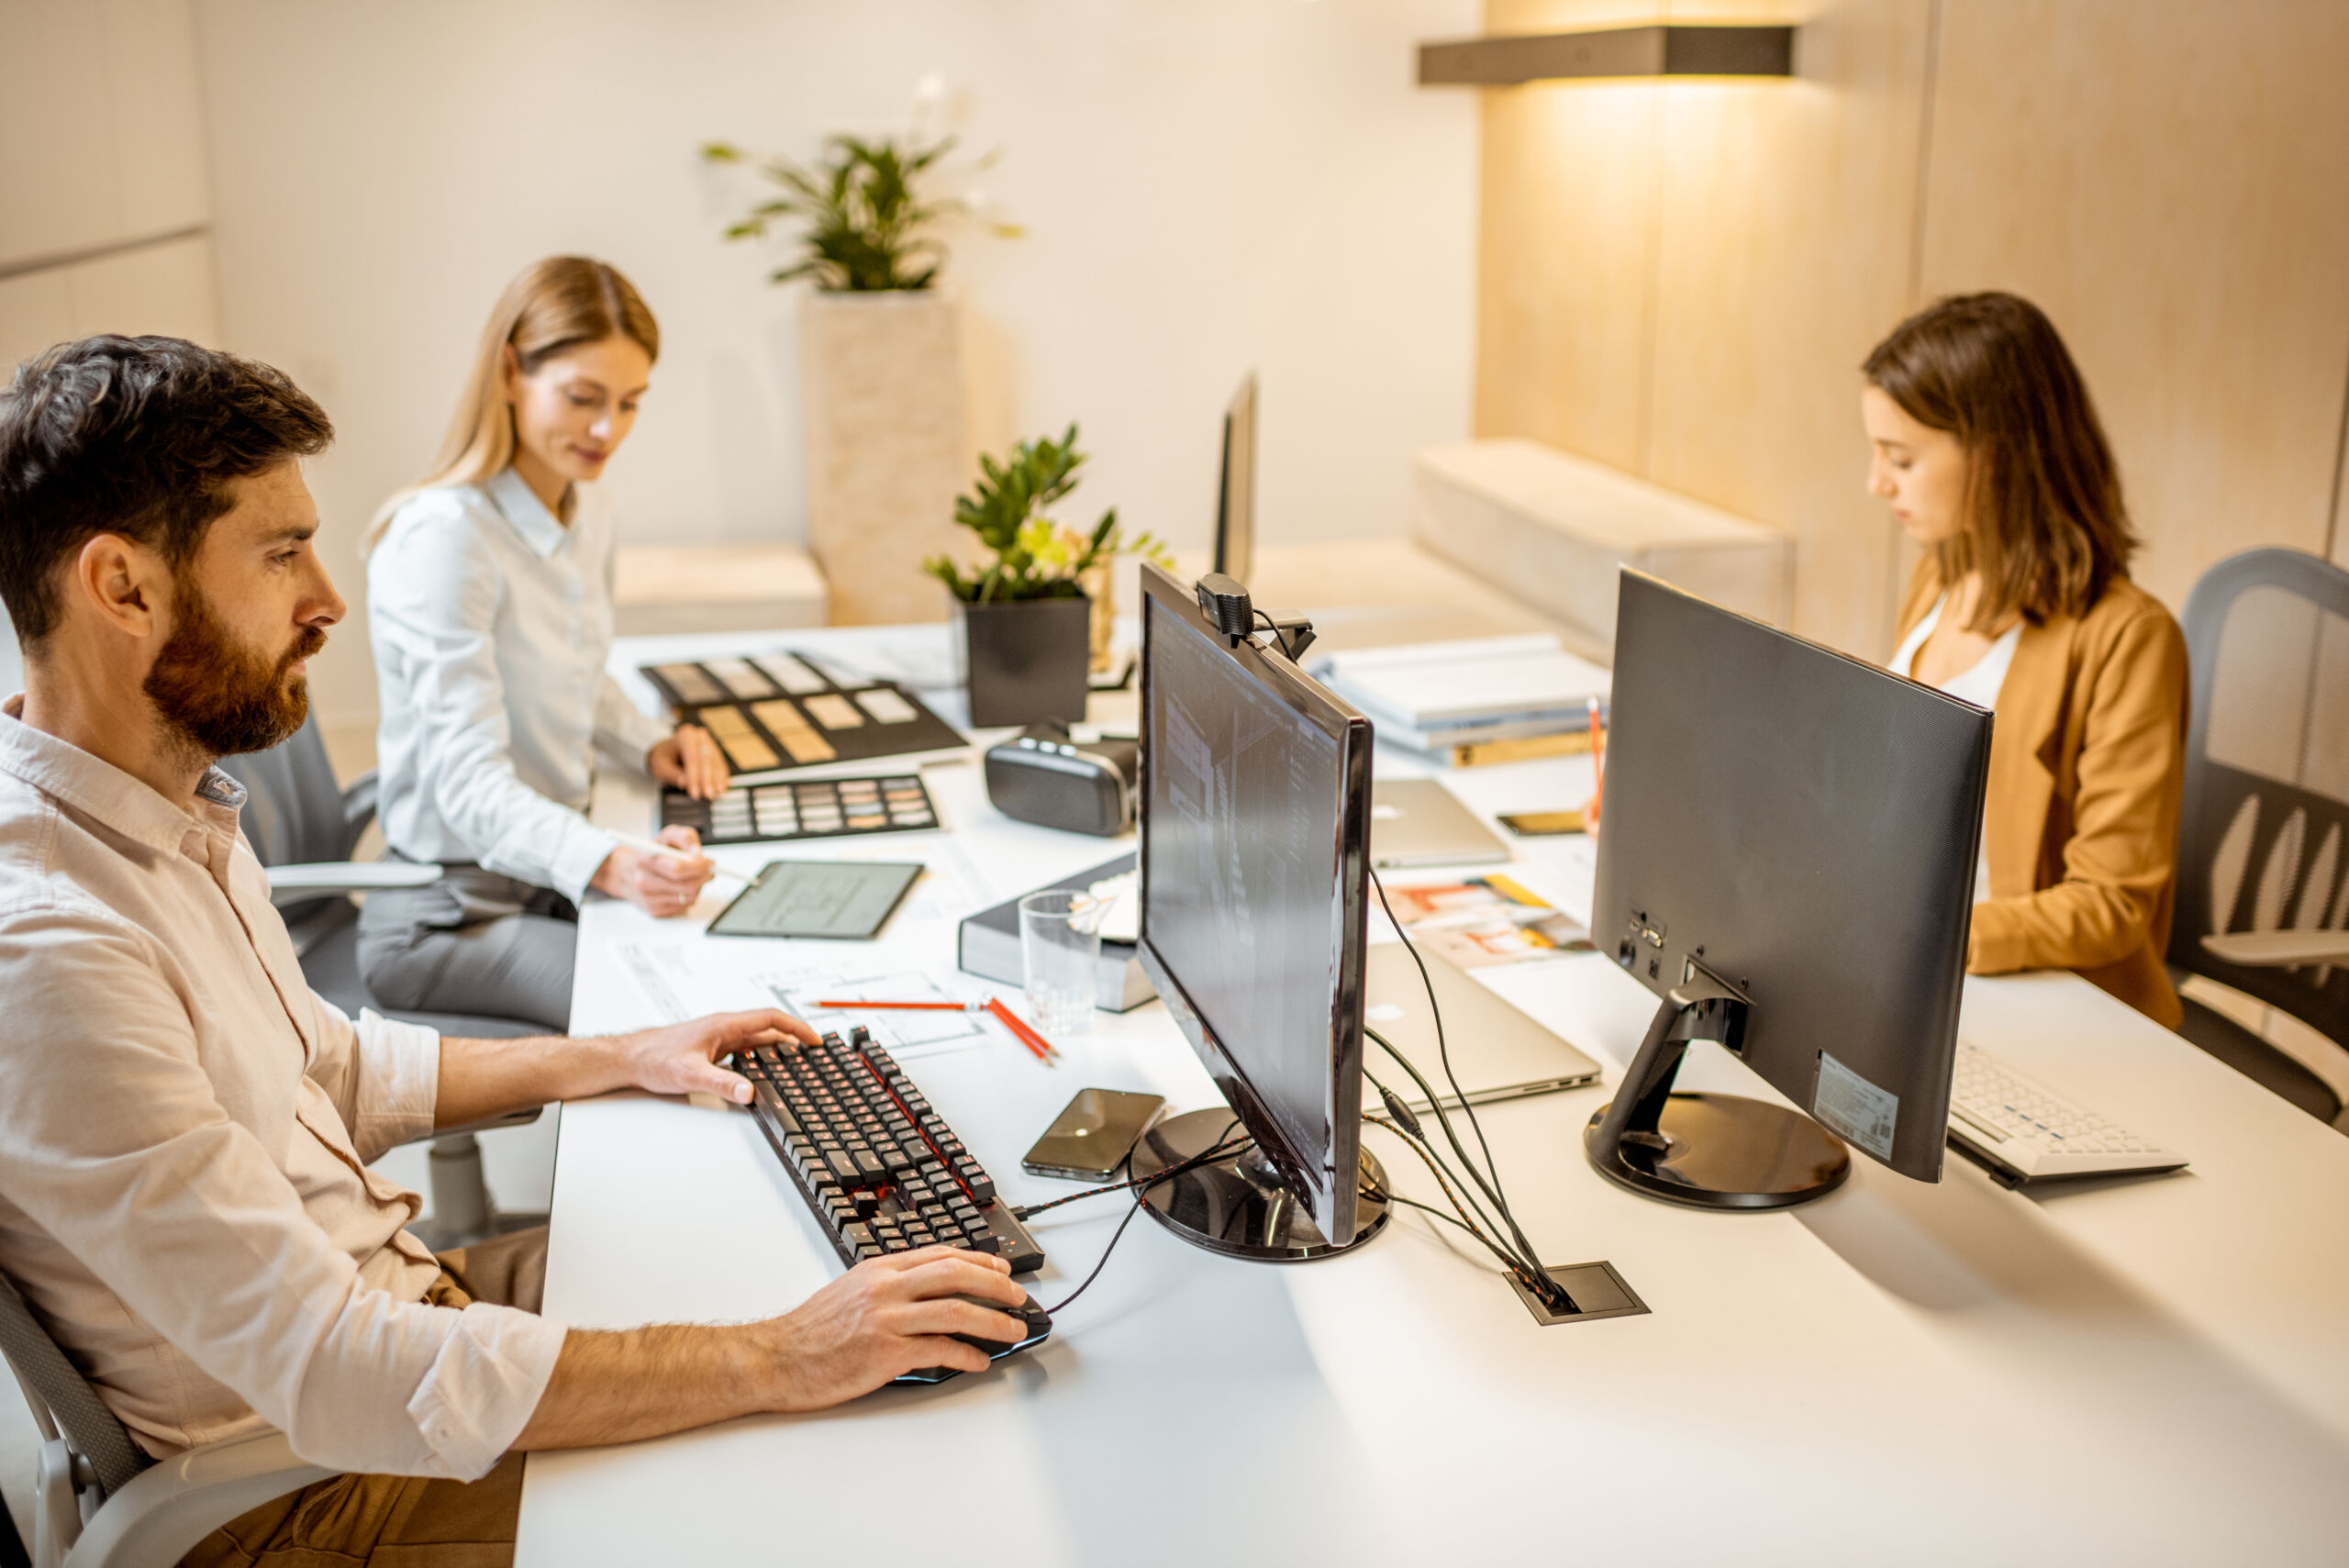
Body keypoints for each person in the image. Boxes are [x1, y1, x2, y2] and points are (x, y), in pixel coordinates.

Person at [0, 336, 1028, 1565]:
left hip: (405, 1332)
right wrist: (782, 1354)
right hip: (319, 1494)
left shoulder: (164, 812)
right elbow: (340, 1370)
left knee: (826, 1262)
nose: (327, 598)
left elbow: (325, 1072)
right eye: (282, 555)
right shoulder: (55, 948)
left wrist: (621, 1054)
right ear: (122, 587)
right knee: (885, 1491)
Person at [361, 256, 727, 1029]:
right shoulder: (446, 538)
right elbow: (466, 786)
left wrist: (650, 742)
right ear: (509, 373)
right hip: (448, 914)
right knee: (664, 1009)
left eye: (630, 403)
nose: (608, 430)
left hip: (544, 879)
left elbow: (577, 671)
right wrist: (611, 861)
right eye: (583, 398)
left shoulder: (587, 510)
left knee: (715, 960)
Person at [1862, 292, 2189, 1028]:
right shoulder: (1943, 574)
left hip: (2036, 999)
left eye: (1901, 458)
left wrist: (1940, 937)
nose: (1877, 482)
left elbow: (2111, 903)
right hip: (1923, 969)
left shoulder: (2127, 639)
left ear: (1996, 452)